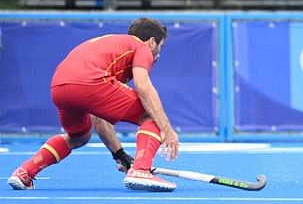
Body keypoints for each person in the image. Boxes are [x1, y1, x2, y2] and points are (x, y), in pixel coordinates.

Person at [8, 18, 180, 191]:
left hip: (59, 86)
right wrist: (167, 129)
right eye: (160, 47)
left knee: (78, 136)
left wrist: (119, 154)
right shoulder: (141, 47)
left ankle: (25, 172)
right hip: (89, 83)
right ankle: (142, 170)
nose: (158, 55)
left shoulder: (113, 48)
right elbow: (144, 88)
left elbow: (99, 117)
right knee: (151, 115)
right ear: (151, 41)